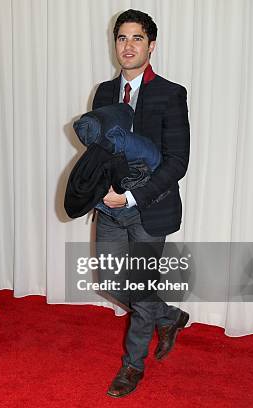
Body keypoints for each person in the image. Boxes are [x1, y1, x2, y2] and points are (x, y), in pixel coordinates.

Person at [91, 9, 190, 398]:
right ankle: (170, 316)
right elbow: (96, 151)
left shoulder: (170, 93)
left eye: (136, 38)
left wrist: (131, 195)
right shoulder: (102, 92)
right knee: (113, 282)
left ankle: (132, 367)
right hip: (109, 208)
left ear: (151, 44)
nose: (128, 46)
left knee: (141, 284)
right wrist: (97, 190)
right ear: (114, 44)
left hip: (150, 209)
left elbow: (177, 162)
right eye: (121, 38)